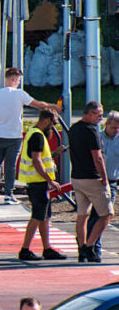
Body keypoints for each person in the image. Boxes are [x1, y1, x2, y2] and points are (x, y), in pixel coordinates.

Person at [0, 68, 61, 205]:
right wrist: (55, 107)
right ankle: (8, 195)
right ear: (13, 79)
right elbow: (38, 105)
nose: (19, 83)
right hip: (14, 135)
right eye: (18, 80)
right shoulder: (19, 94)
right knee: (10, 166)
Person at [17, 109, 67, 261]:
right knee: (38, 216)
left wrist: (55, 154)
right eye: (52, 125)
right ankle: (25, 249)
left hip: (38, 182)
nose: (52, 128)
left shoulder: (34, 133)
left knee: (44, 217)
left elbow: (41, 158)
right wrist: (50, 180)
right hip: (38, 182)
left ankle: (47, 248)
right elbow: (36, 161)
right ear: (46, 121)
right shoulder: (37, 136)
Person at [68, 101, 113, 262]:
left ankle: (81, 248)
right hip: (92, 178)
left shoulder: (73, 129)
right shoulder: (91, 131)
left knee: (82, 214)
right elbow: (97, 157)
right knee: (107, 214)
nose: (101, 118)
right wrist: (105, 179)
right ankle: (89, 246)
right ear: (89, 113)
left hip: (76, 177)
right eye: (99, 115)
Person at [87, 111, 119, 255]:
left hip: (112, 182)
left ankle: (91, 246)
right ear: (106, 125)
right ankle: (91, 246)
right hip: (96, 181)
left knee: (103, 215)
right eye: (113, 128)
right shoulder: (97, 137)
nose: (116, 131)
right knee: (99, 215)